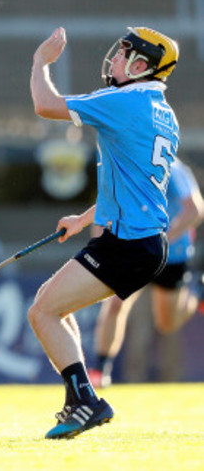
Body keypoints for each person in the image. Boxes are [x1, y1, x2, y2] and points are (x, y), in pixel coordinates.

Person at [28, 25, 179, 440]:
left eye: (123, 53)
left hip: (129, 244)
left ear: (140, 66)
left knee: (42, 312)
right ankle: (82, 399)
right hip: (142, 241)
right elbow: (133, 184)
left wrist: (41, 62)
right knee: (51, 305)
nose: (113, 59)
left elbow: (45, 105)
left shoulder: (124, 100)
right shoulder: (163, 111)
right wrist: (83, 218)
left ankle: (86, 402)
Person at [88, 157, 204, 388]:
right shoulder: (123, 163)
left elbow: (196, 210)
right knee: (115, 304)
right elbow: (104, 210)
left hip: (172, 255)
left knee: (166, 323)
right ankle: (101, 370)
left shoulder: (173, 166)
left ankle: (198, 292)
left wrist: (162, 240)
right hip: (135, 253)